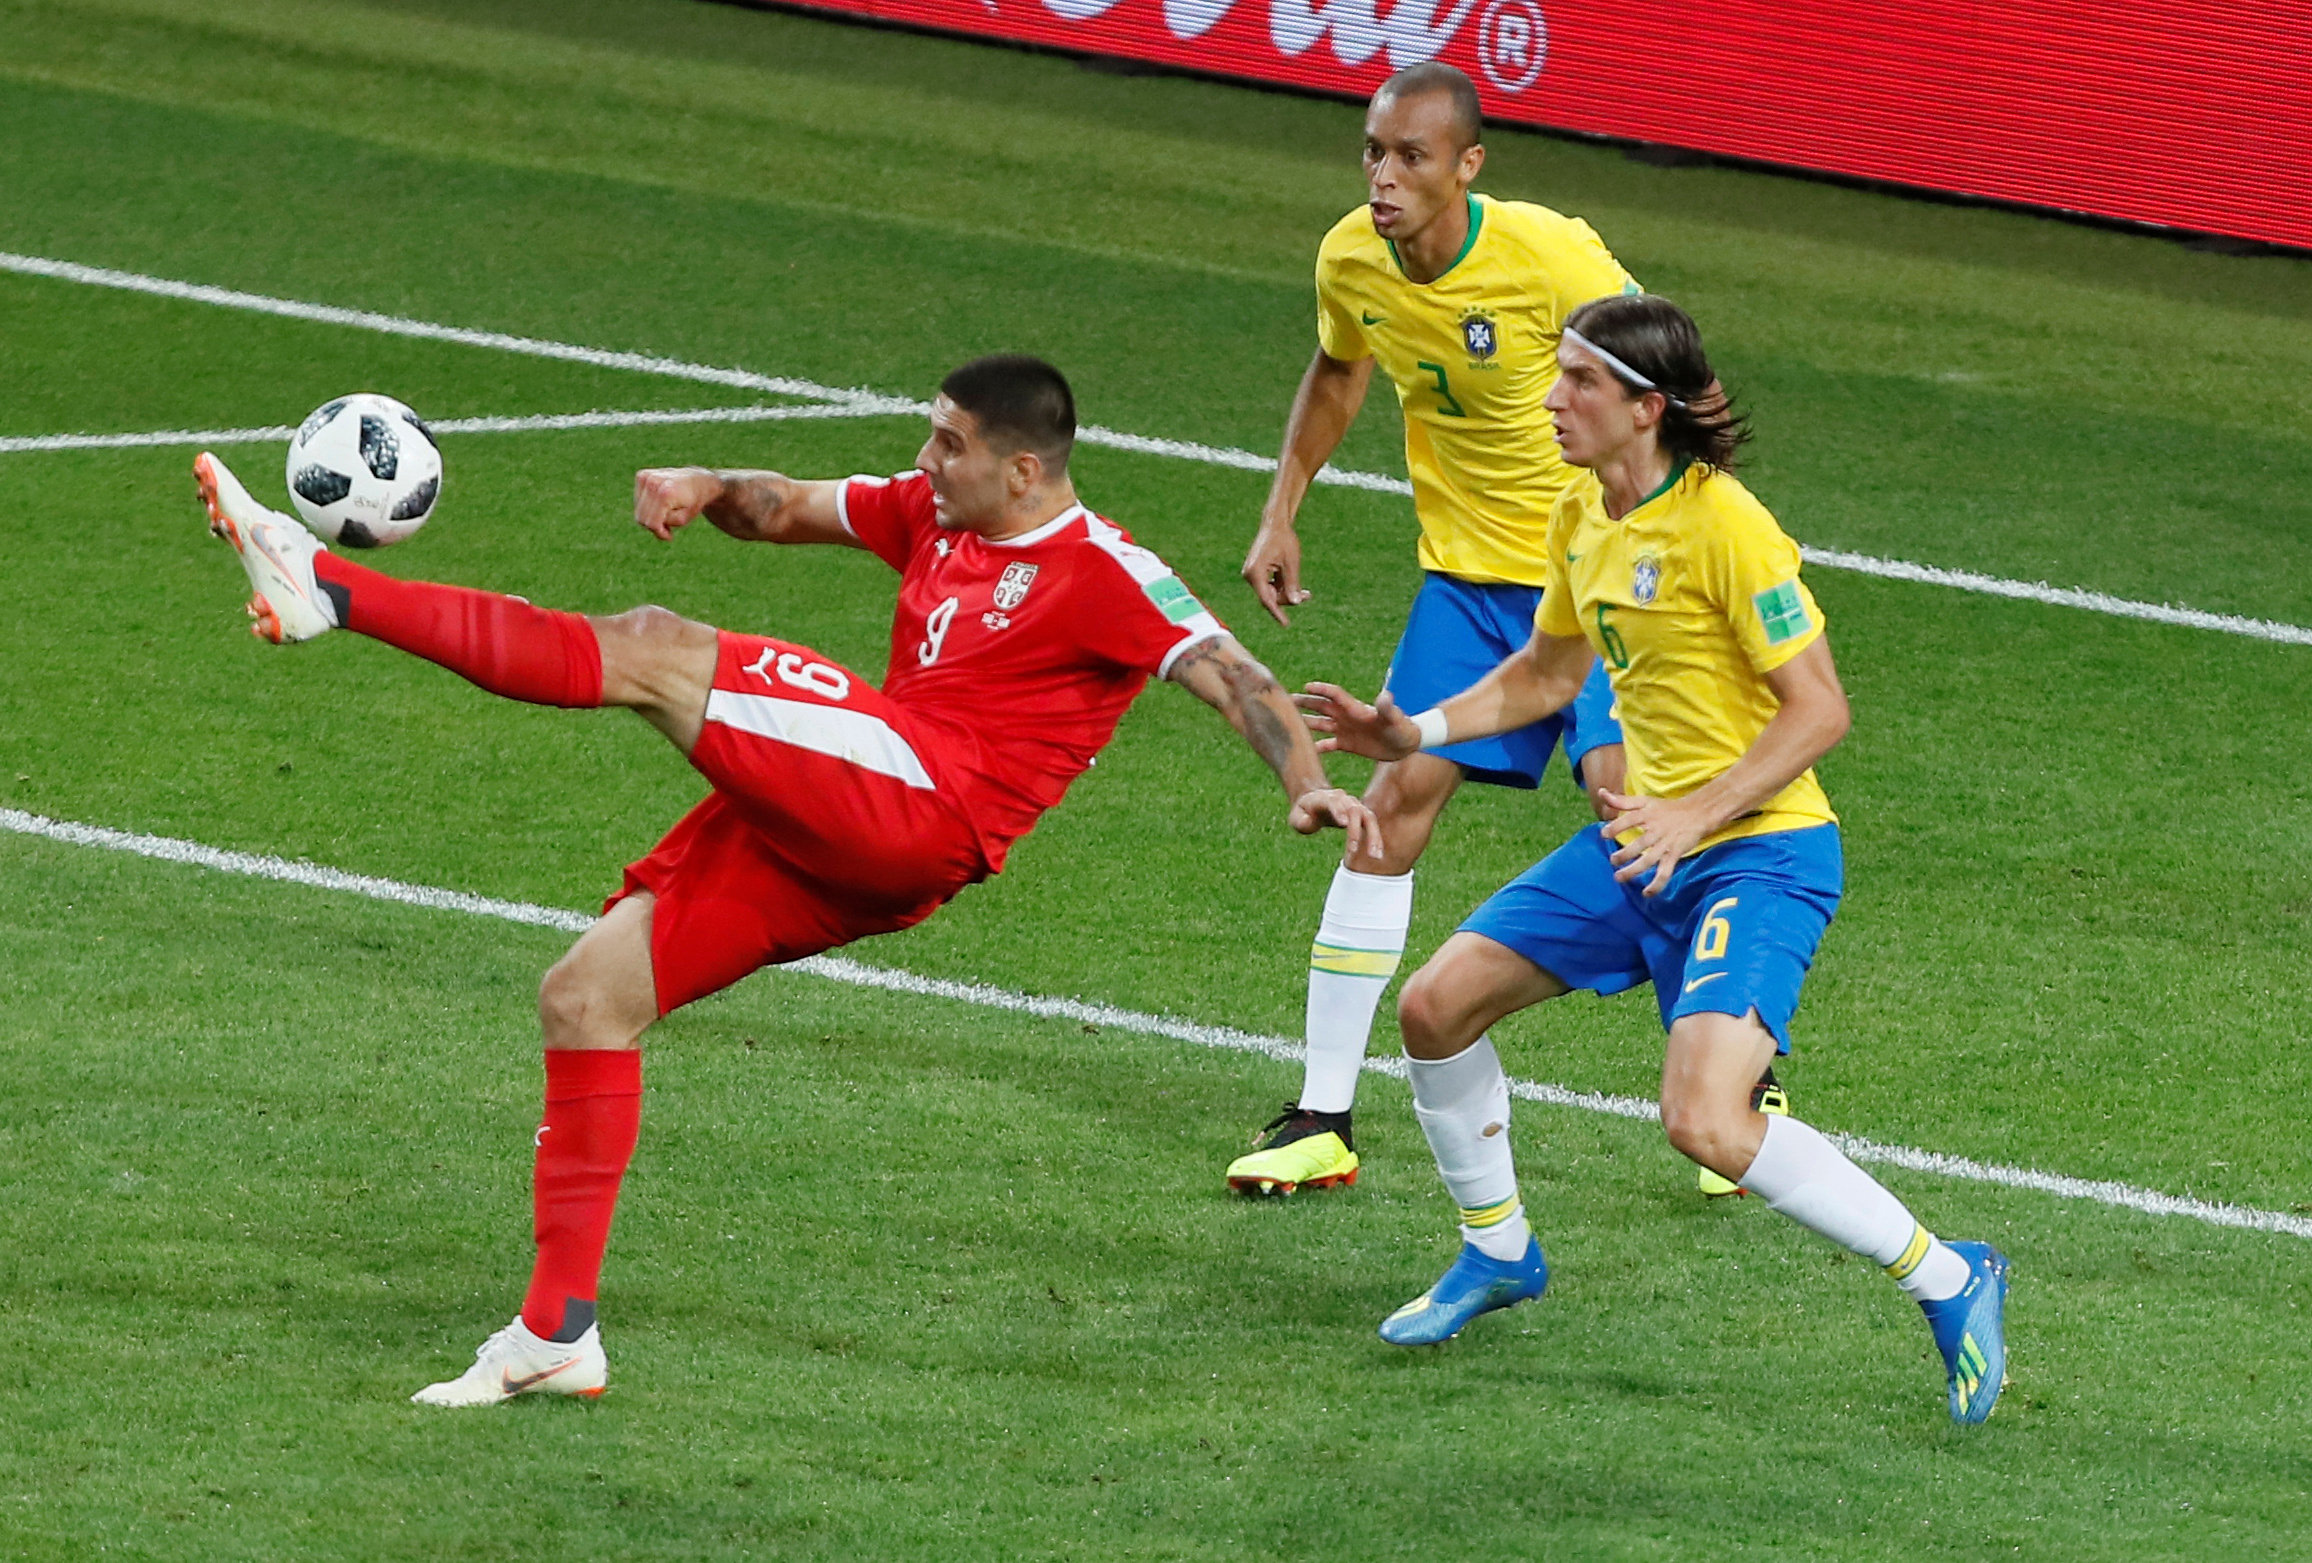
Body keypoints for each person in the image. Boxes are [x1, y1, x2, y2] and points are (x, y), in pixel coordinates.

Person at [192, 354, 1379, 1407]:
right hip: (852, 827)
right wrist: (708, 484)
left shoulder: (1103, 568)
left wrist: (1305, 783)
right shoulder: (934, 512)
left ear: (1023, 470)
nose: (925, 460)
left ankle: (329, 588)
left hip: (925, 802)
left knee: (655, 646)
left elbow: (1232, 675)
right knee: (587, 997)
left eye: (948, 444)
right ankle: (556, 1337)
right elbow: (787, 508)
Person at [1301, 296, 2009, 1424]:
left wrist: (1696, 814)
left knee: (1707, 1123)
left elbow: (1819, 709)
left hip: (1760, 855)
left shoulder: (1727, 528)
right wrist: (1414, 731)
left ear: (1645, 407)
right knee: (1433, 1008)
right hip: (1640, 847)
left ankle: (1948, 1274)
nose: (1550, 401)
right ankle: (1497, 1250)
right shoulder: (1579, 511)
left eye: (1577, 382)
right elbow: (1545, 675)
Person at [1231, 61, 1733, 1198]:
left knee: (1631, 815)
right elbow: (1338, 369)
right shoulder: (1350, 258)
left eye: (1410, 157)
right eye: (1372, 151)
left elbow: (1671, 370)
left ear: (1467, 165)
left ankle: (1734, 1086)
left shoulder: (1548, 255)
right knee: (1387, 809)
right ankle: (1321, 1115)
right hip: (1465, 582)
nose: (1383, 176)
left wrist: (1697, 533)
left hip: (1594, 576)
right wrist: (1281, 509)